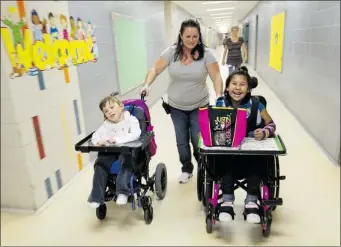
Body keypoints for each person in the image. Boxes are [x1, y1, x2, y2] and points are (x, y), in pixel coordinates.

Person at [140, 18, 224, 184]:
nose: (191, 40)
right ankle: (187, 169)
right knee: (181, 141)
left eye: (195, 36)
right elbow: (154, 69)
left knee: (197, 139)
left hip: (200, 105)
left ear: (199, 36)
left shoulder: (207, 54)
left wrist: (219, 96)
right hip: (176, 107)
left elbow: (216, 76)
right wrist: (147, 84)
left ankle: (203, 167)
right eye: (188, 36)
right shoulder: (171, 53)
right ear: (181, 36)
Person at [217, 66, 276, 224]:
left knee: (258, 159)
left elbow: (272, 124)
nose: (237, 88)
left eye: (242, 84)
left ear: (249, 88)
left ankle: (251, 202)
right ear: (227, 87)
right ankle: (227, 201)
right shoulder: (221, 103)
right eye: (233, 84)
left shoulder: (257, 105)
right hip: (229, 154)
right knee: (223, 158)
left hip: (251, 153)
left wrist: (264, 132)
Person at [88, 96, 142, 207]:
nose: (109, 111)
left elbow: (136, 134)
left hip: (127, 151)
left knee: (126, 161)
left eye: (112, 107)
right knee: (100, 163)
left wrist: (118, 140)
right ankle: (97, 197)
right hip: (111, 152)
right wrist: (99, 141)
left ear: (121, 106)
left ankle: (122, 192)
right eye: (106, 111)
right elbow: (94, 137)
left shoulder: (131, 120)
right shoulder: (106, 125)